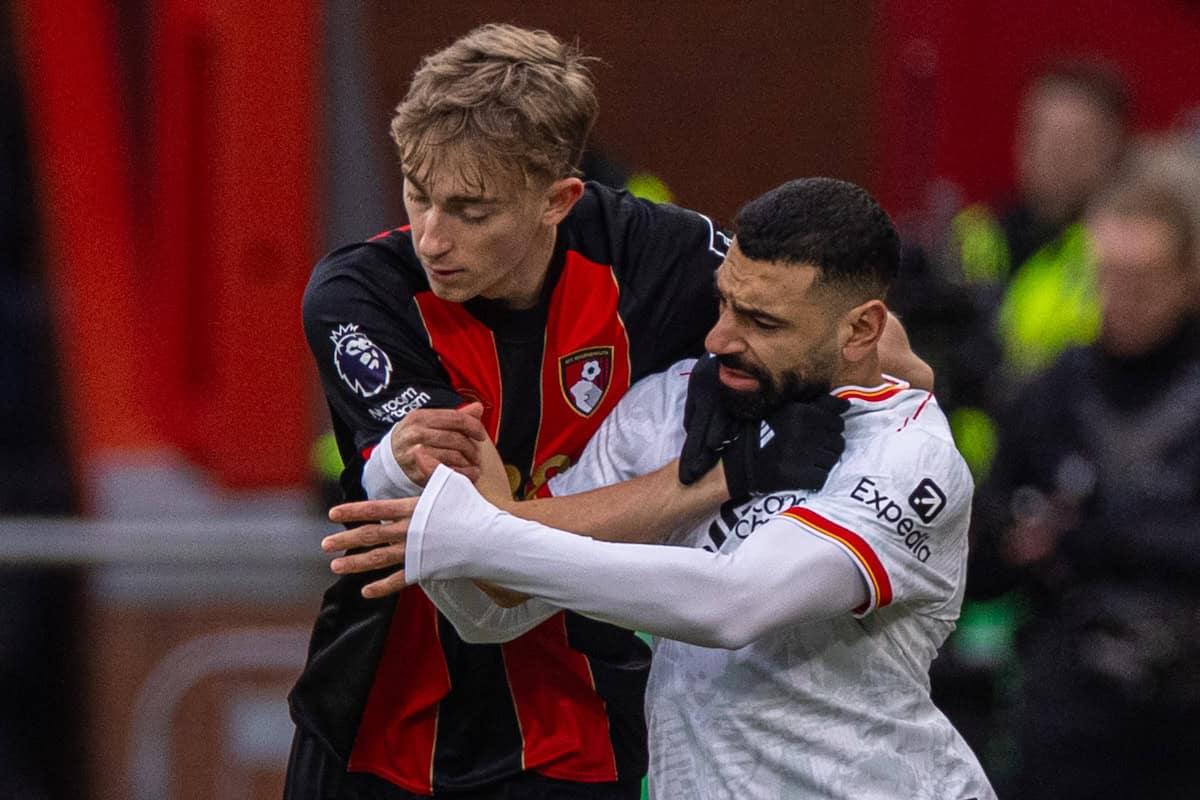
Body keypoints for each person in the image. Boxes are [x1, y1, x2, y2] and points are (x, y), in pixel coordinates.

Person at [294, 23, 929, 799]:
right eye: (417, 194)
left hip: (580, 722)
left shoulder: (647, 253)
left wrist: (807, 387)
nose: (432, 236)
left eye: (471, 209)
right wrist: (723, 473)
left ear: (558, 199)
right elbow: (491, 558)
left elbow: (884, 352)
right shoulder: (360, 298)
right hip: (380, 721)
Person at [967, 137, 1200, 800]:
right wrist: (1014, 540)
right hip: (1069, 702)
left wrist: (1092, 533)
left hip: (1185, 710)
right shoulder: (1050, 393)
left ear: (1187, 280)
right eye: (1108, 279)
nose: (1121, 301)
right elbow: (983, 561)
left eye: (1143, 284)